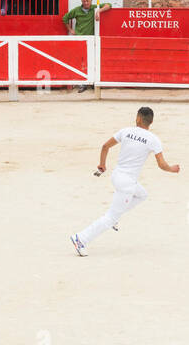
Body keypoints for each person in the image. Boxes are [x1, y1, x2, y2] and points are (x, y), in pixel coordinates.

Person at [70, 106, 177, 256]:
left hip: (117, 176)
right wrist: (172, 169)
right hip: (127, 184)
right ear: (151, 122)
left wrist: (102, 165)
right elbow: (162, 165)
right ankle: (81, 238)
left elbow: (105, 146)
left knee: (142, 195)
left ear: (138, 118)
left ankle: (116, 217)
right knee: (110, 217)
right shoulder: (154, 140)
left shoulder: (125, 131)